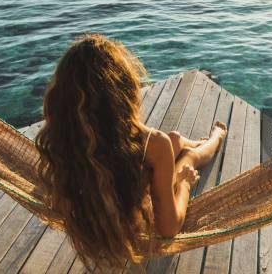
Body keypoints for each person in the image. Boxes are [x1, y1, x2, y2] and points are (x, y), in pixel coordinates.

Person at [35, 34, 227, 269]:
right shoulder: (152, 144)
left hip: (118, 185)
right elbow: (169, 228)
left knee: (173, 140)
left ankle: (189, 140)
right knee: (187, 157)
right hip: (130, 216)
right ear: (123, 93)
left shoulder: (60, 144)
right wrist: (185, 183)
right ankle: (216, 137)